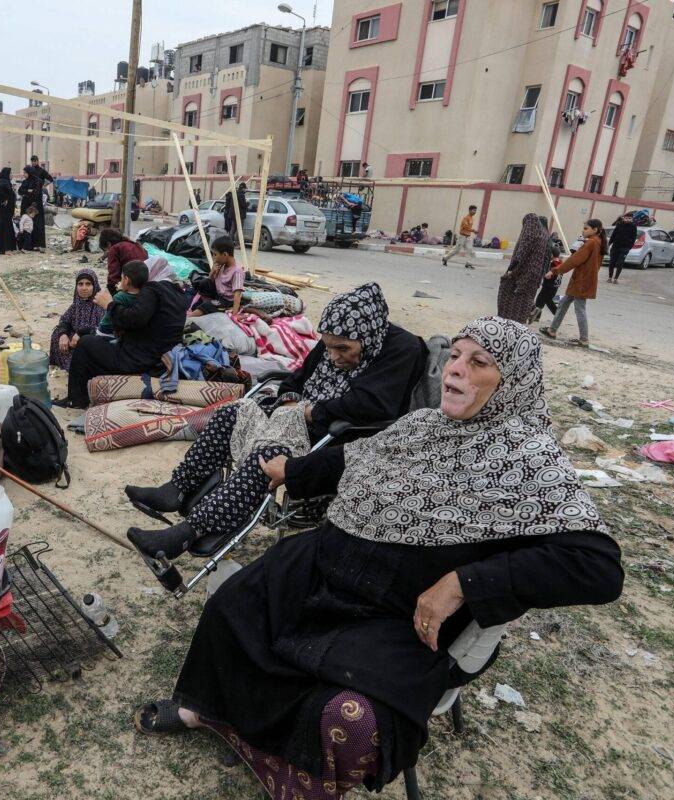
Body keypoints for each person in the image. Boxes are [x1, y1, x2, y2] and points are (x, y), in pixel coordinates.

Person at [133, 317, 623, 798]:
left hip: (395, 612)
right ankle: (207, 711)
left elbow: (597, 568)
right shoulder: (423, 425)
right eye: (454, 357)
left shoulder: (530, 458)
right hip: (326, 564)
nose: (454, 370)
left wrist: (462, 584)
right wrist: (293, 470)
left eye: (479, 363)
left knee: (348, 712)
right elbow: (354, 456)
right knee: (234, 604)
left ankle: (287, 759)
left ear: (511, 380)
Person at [126, 283, 426, 558]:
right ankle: (177, 489)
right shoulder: (337, 336)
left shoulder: (402, 349)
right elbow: (297, 377)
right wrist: (291, 399)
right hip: (297, 416)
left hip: (338, 434)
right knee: (231, 413)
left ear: (368, 337)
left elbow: (373, 405)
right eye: (329, 346)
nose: (333, 356)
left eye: (343, 349)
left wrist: (312, 412)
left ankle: (189, 532)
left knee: (268, 456)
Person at [57, 260, 186, 409]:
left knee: (85, 344)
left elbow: (133, 319)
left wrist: (109, 305)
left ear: (127, 280)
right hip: (161, 355)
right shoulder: (176, 292)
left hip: (138, 358)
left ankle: (76, 400)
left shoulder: (151, 290)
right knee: (91, 341)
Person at [540, 219, 605, 346]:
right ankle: (552, 330)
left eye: (586, 228)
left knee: (580, 308)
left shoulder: (591, 243)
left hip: (581, 281)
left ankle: (584, 339)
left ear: (595, 230)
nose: (583, 230)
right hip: (583, 280)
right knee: (564, 303)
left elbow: (574, 260)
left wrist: (555, 271)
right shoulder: (598, 242)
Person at [497, 214, 552, 323]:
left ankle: (509, 320)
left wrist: (511, 269)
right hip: (536, 274)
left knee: (512, 294)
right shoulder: (545, 237)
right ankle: (524, 317)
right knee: (526, 297)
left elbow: (521, 253)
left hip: (525, 272)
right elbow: (545, 258)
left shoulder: (530, 235)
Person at [49, 269, 103, 370]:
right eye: (80, 284)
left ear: (94, 286)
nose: (84, 288)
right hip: (75, 341)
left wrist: (81, 333)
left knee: (87, 342)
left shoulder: (101, 303)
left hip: (94, 341)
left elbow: (103, 329)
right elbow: (65, 320)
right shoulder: (76, 304)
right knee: (57, 333)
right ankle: (66, 365)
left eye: (88, 284)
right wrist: (63, 335)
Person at [189, 236, 244, 316]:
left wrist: (234, 313)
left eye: (215, 254)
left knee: (206, 306)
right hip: (218, 295)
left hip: (227, 301)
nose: (213, 257)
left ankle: (191, 317)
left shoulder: (237, 271)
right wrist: (212, 272)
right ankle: (208, 304)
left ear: (225, 254)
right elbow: (211, 281)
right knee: (204, 282)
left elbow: (237, 293)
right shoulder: (221, 265)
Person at [98, 228, 147, 292]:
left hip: (133, 285)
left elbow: (113, 276)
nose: (107, 253)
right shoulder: (135, 244)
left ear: (109, 244)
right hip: (145, 282)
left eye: (106, 250)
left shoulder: (115, 248)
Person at [606, 212, 637, 285]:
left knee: (620, 262)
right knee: (612, 262)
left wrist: (629, 247)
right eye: (626, 218)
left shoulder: (633, 226)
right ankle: (610, 277)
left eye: (629, 218)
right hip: (615, 246)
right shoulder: (619, 225)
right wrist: (609, 243)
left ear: (632, 219)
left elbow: (633, 238)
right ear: (623, 218)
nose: (627, 220)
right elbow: (614, 234)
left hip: (625, 248)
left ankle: (616, 279)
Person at [0, 168, 18, 255]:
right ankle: (5, 249)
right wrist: (5, 198)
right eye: (10, 173)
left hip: (6, 211)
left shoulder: (5, 182)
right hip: (4, 211)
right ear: (6, 174)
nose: (12, 175)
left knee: (7, 228)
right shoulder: (3, 181)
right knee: (5, 229)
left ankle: (6, 248)